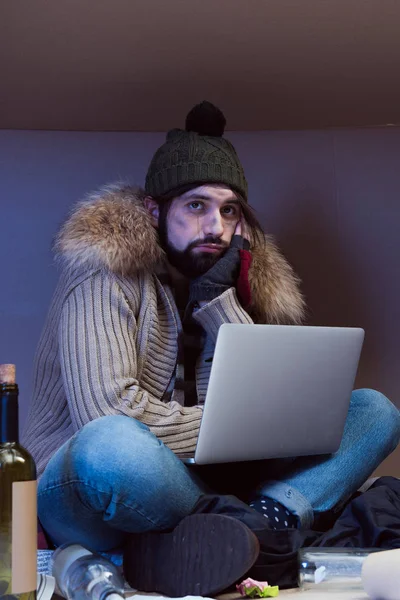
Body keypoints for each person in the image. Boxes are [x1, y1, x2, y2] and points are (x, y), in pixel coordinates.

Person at [23, 102, 400, 595]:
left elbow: (265, 412)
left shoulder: (232, 282)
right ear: (155, 211)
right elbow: (108, 411)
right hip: (90, 486)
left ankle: (242, 530)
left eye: (229, 210)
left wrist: (219, 302)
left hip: (202, 487)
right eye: (196, 206)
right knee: (112, 446)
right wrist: (240, 433)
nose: (216, 228)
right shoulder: (104, 273)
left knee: (375, 412)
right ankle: (268, 529)